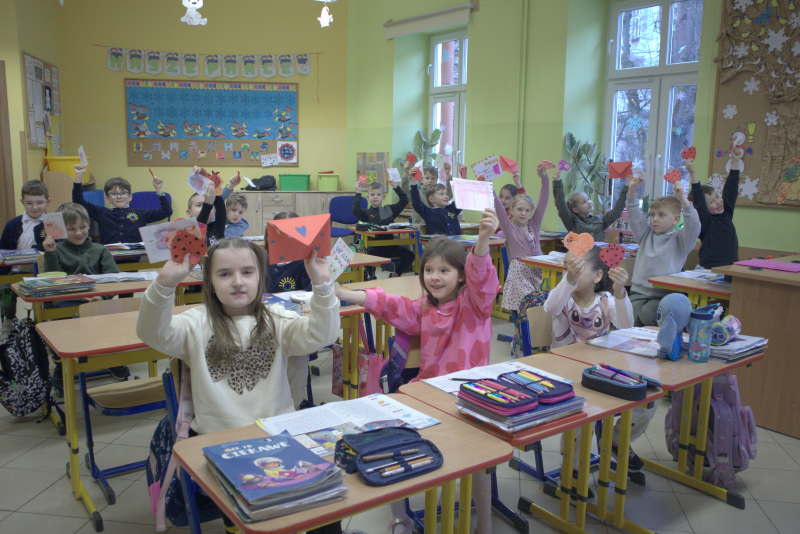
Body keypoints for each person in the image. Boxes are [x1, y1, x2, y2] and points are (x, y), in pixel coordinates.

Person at [136, 238, 353, 534]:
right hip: (221, 443)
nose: (238, 282)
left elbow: (322, 336)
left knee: (326, 499)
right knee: (256, 510)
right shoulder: (195, 323)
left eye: (247, 272)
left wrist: (322, 283)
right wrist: (164, 284)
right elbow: (152, 333)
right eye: (225, 274)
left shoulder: (278, 318)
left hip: (279, 435)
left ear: (261, 277)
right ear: (210, 282)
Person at [335, 209, 501, 534]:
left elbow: (482, 278)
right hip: (426, 394)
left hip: (470, 396)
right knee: (391, 438)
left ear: (462, 275)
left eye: (445, 270)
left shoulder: (475, 304)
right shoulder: (424, 307)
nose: (435, 277)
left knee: (481, 457)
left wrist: (482, 241)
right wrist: (343, 294)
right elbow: (388, 303)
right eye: (429, 270)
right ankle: (400, 517)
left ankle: (485, 523)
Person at [543, 247, 653, 487]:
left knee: (647, 397)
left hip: (600, 371)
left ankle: (615, 440)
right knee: (584, 411)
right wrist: (569, 280)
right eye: (566, 267)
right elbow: (550, 308)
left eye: (577, 267)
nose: (570, 271)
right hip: (566, 372)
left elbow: (626, 325)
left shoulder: (606, 300)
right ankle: (572, 470)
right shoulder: (563, 297)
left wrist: (620, 292)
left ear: (597, 276)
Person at [42, 203, 130, 383]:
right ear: (62, 230)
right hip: (67, 301)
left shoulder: (100, 250)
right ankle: (61, 365)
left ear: (89, 224)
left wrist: (102, 297)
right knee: (59, 321)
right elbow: (53, 280)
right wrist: (50, 253)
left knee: (114, 318)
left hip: (98, 299)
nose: (78, 232)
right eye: (71, 229)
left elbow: (114, 278)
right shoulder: (57, 250)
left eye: (82, 227)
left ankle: (113, 359)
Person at [626, 171, 701, 326]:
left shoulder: (681, 240)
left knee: (647, 315)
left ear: (675, 219)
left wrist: (682, 198)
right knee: (629, 320)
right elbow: (633, 216)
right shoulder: (646, 235)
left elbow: (694, 225)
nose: (655, 219)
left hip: (665, 294)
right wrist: (632, 190)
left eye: (661, 215)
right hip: (639, 291)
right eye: (653, 214)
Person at [489, 162, 549, 318]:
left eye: (527, 210)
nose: (523, 213)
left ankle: (538, 327)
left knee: (545, 301)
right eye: (519, 209)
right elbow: (498, 207)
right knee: (530, 304)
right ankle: (526, 327)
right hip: (521, 273)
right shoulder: (509, 228)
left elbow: (543, 202)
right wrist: (489, 186)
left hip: (538, 268)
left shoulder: (534, 225)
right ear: (512, 210)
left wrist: (545, 179)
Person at [71, 164, 172, 244]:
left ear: (130, 197)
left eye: (123, 193)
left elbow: (166, 211)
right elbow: (78, 201)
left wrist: (159, 189)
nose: (119, 196)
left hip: (133, 257)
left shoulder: (140, 213)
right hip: (109, 259)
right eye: (114, 193)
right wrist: (79, 176)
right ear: (107, 199)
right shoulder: (102, 213)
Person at [0, 180, 51, 339]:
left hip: (45, 272)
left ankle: (47, 319)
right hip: (15, 271)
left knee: (49, 292)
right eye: (29, 203)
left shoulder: (52, 222)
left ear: (48, 201)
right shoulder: (13, 224)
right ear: (22, 202)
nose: (35, 207)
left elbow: (60, 246)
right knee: (4, 290)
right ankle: (9, 320)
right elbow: (3, 249)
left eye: (39, 203)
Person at [686, 148, 741, 269]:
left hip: (730, 268)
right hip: (708, 270)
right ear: (704, 209)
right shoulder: (705, 221)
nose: (718, 202)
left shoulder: (726, 214)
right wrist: (692, 173)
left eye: (717, 196)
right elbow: (699, 199)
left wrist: (735, 161)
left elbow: (731, 189)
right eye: (711, 202)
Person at [352, 181, 415, 280]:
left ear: (383, 197)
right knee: (366, 256)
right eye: (372, 194)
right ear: (368, 197)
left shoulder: (390, 209)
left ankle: (395, 274)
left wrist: (396, 187)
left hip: (390, 247)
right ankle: (371, 275)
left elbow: (404, 200)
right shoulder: (366, 213)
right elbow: (356, 210)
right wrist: (358, 192)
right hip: (373, 248)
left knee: (410, 255)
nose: (375, 197)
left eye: (379, 194)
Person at [553, 168, 628, 242]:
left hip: (598, 250)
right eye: (584, 202)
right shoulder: (572, 221)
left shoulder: (600, 220)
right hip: (580, 250)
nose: (589, 202)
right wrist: (557, 182)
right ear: (576, 209)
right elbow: (561, 205)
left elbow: (617, 211)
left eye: (588, 199)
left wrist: (627, 188)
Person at [265, 212, 312, 293]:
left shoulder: (304, 264)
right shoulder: (263, 261)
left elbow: (314, 291)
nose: (285, 241)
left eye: (290, 236)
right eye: (280, 235)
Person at [401, 162, 454, 227]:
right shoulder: (417, 193)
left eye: (433, 178)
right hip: (420, 227)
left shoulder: (440, 195)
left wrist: (448, 174)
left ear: (436, 180)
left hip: (436, 228)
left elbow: (450, 193)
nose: (430, 181)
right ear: (421, 179)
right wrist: (406, 173)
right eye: (427, 178)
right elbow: (404, 191)